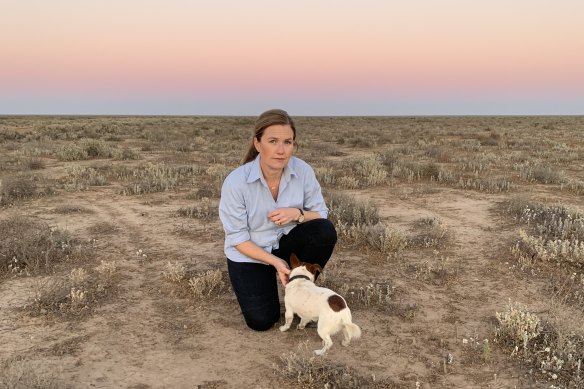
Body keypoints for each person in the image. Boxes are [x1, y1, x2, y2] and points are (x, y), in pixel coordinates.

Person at [219, 109, 338, 331]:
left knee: (324, 231)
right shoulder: (236, 182)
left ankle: (302, 290)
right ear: (257, 143)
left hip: (286, 242)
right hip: (251, 253)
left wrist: (297, 214)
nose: (281, 150)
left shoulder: (302, 171)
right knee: (262, 321)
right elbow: (237, 238)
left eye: (288, 142)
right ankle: (272, 278)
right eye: (273, 141)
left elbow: (321, 213)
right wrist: (274, 262)